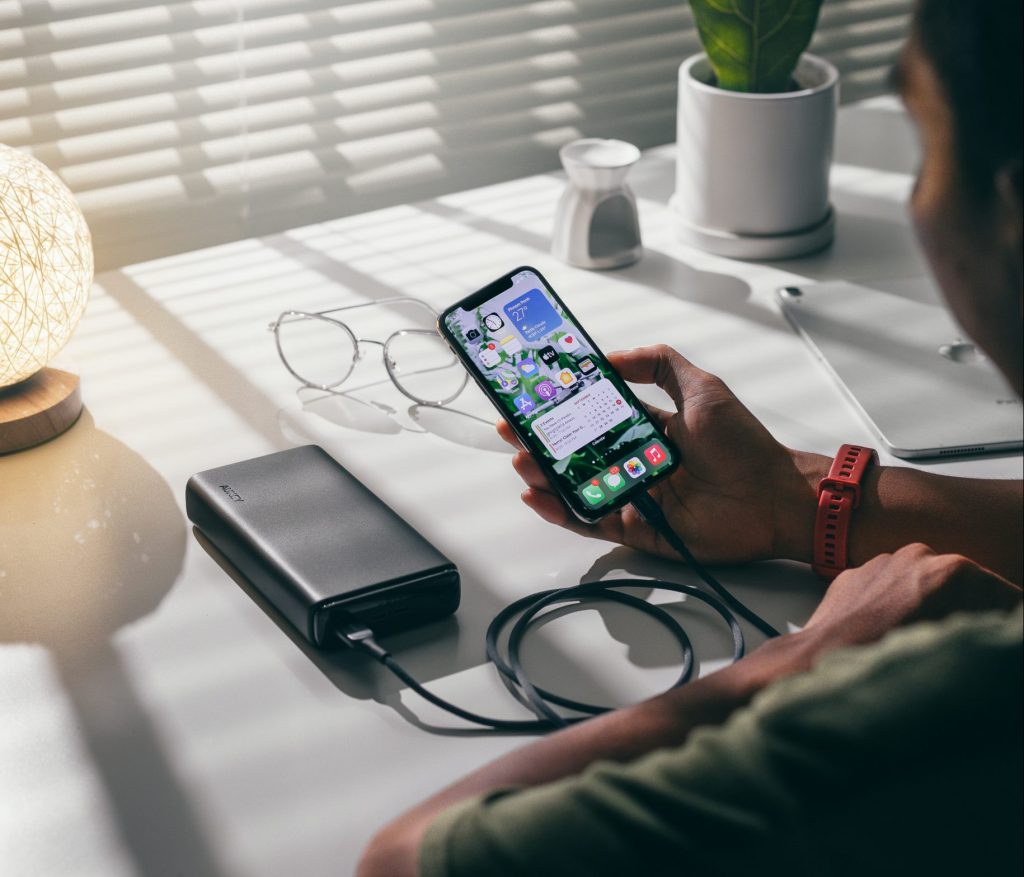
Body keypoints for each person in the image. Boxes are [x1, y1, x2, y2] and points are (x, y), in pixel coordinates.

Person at [358, 2, 1023, 873]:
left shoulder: (953, 701)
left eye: (924, 147)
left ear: (1009, 209)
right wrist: (795, 498)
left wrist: (808, 656)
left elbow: (402, 861)